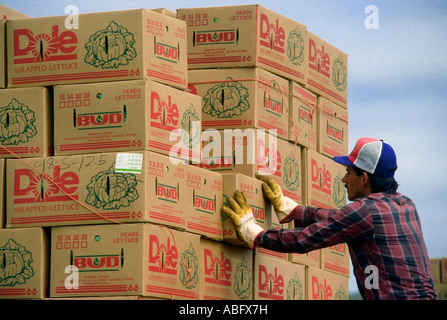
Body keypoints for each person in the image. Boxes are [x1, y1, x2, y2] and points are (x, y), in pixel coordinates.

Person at [222, 137, 437, 300]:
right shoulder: (406, 205)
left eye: (348, 172)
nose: (344, 179)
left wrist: (255, 233)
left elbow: (304, 240)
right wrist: (293, 210)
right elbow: (341, 219)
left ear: (364, 178)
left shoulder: (365, 211)